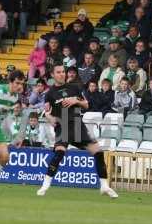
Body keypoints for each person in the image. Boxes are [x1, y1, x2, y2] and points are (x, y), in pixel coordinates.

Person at [36, 63, 117, 198]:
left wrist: (76, 101)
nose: (62, 74)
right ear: (52, 75)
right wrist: (50, 119)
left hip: (78, 125)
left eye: (63, 71)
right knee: (60, 153)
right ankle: (45, 185)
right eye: (58, 72)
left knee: (98, 152)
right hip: (63, 125)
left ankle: (104, 186)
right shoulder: (50, 93)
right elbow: (47, 112)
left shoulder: (75, 88)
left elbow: (86, 104)